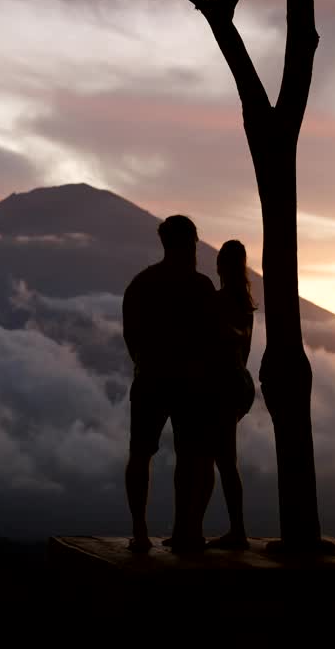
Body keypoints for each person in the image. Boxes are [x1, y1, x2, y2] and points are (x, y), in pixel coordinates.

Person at [122, 215, 218, 553]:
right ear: (190, 242)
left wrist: (146, 363)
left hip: (149, 379)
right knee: (189, 456)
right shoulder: (202, 287)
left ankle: (141, 532)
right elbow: (212, 340)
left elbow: (131, 335)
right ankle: (183, 531)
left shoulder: (142, 283)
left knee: (140, 454)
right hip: (190, 383)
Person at [209, 239, 256, 550]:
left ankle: (235, 530)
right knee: (227, 459)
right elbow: (246, 352)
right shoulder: (246, 304)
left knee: (217, 459)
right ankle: (236, 528)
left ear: (220, 266)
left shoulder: (218, 300)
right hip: (239, 383)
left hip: (218, 385)